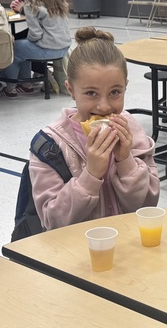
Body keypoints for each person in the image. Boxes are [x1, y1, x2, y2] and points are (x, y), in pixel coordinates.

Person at [29, 27, 159, 231]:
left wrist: (126, 162)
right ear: (71, 89)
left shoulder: (131, 129)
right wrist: (91, 173)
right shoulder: (49, 145)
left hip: (127, 243)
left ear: (125, 86)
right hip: (73, 253)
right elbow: (52, 221)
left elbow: (147, 205)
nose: (104, 106)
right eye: (91, 93)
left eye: (115, 92)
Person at [0, 0, 71, 101]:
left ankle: (10, 88)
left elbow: (36, 35)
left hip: (51, 48)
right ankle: (26, 84)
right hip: (64, 47)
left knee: (14, 47)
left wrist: (25, 40)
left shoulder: (32, 3)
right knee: (23, 45)